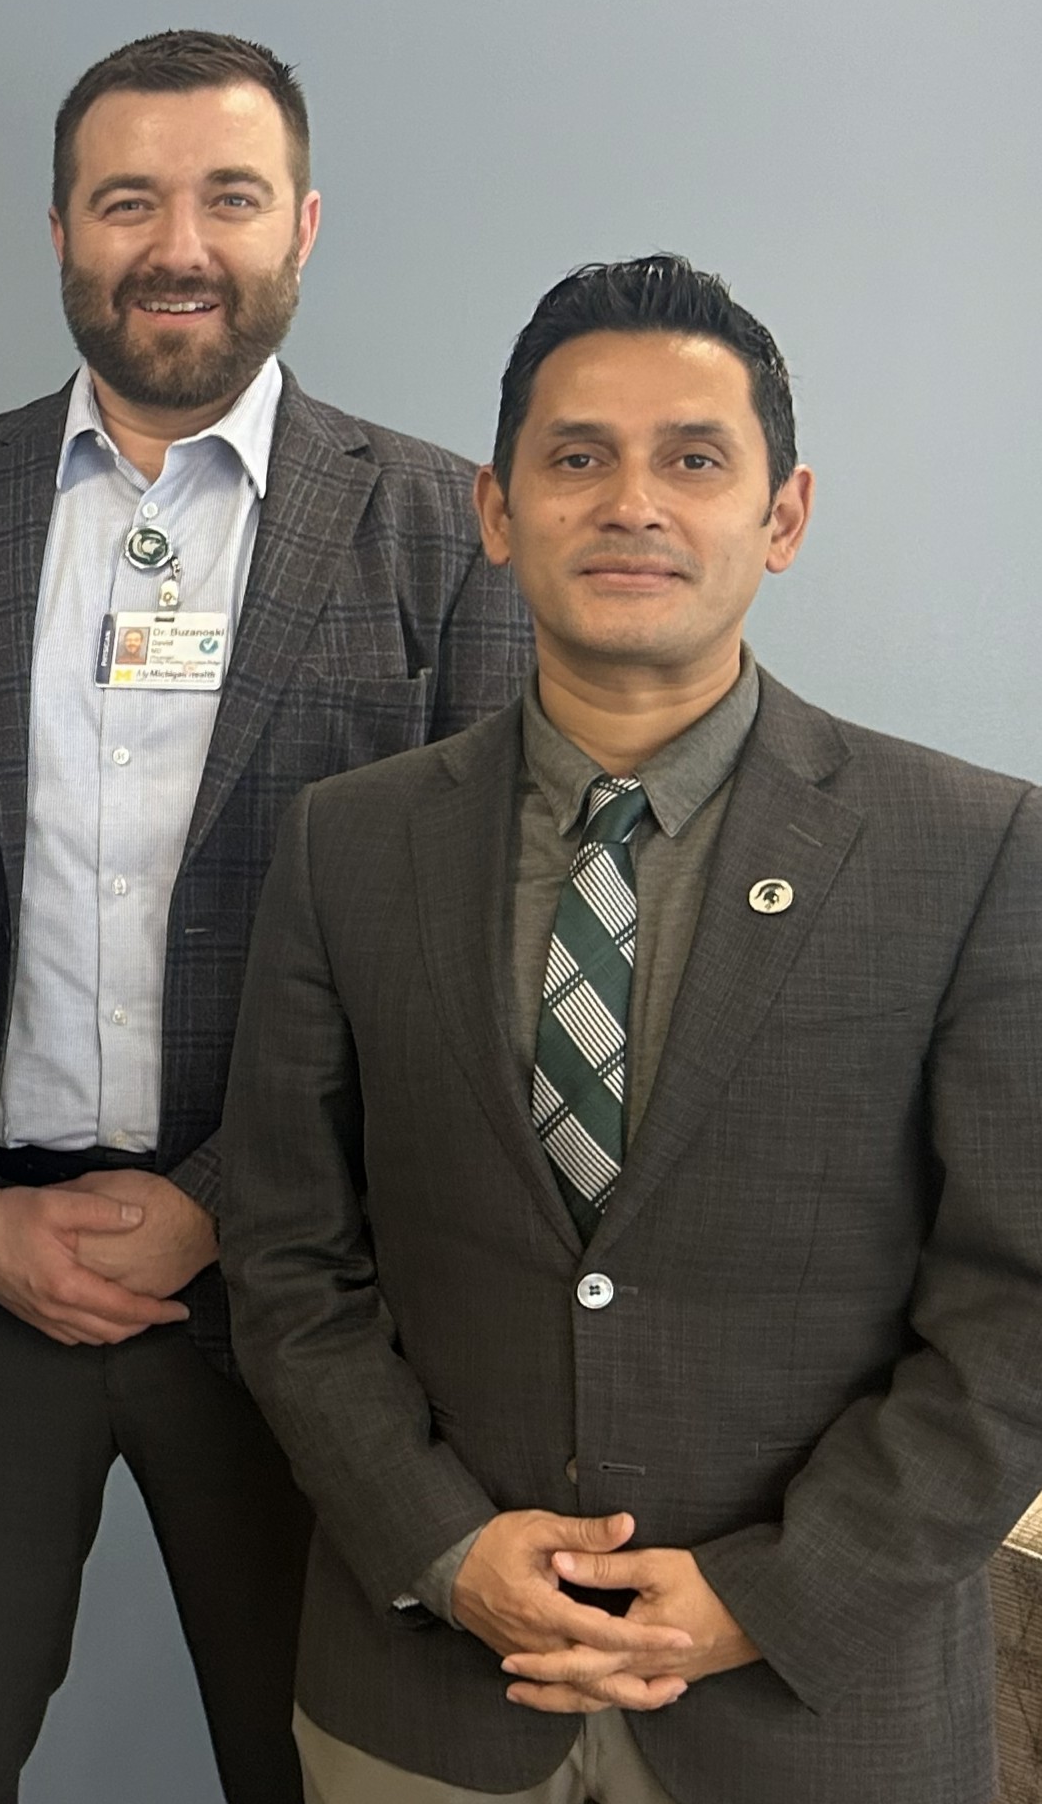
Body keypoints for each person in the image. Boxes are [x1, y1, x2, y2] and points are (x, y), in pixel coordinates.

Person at [0, 29, 531, 1803]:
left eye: (225, 196)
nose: (177, 244)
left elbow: (484, 951)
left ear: (302, 224)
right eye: (127, 200)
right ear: (61, 228)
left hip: (310, 1286)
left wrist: (222, 1206)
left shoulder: (451, 534)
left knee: (324, 1770)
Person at [224, 255, 1042, 1804]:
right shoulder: (349, 844)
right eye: (578, 457)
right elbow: (285, 1258)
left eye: (694, 459)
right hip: (428, 1697)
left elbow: (1023, 1308)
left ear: (782, 516)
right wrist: (443, 1545)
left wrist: (774, 1594)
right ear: (496, 509)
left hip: (818, 1717)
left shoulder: (976, 849)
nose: (632, 502)